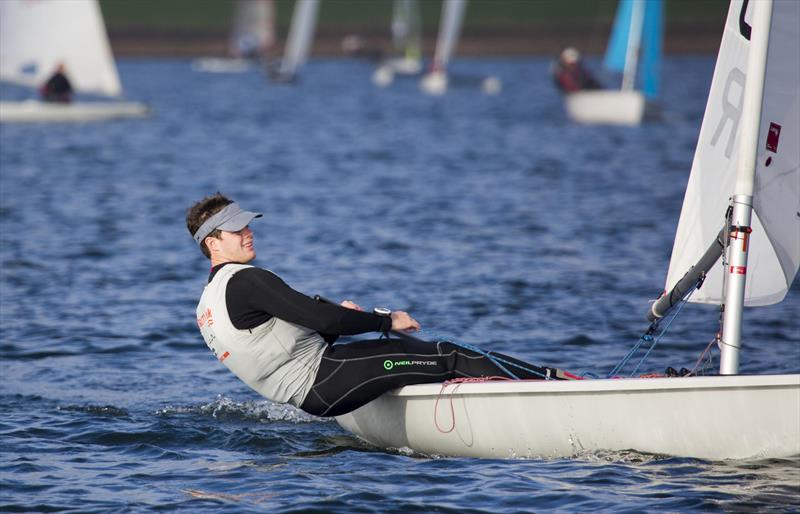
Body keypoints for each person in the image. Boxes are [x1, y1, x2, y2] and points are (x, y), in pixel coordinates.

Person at [187, 193, 575, 417]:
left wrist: (339, 321)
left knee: (413, 355)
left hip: (317, 391)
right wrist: (384, 320)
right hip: (325, 381)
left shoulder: (208, 303)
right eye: (237, 230)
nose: (248, 232)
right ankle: (555, 385)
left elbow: (273, 344)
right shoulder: (247, 280)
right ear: (213, 243)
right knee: (449, 355)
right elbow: (317, 315)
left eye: (247, 224)